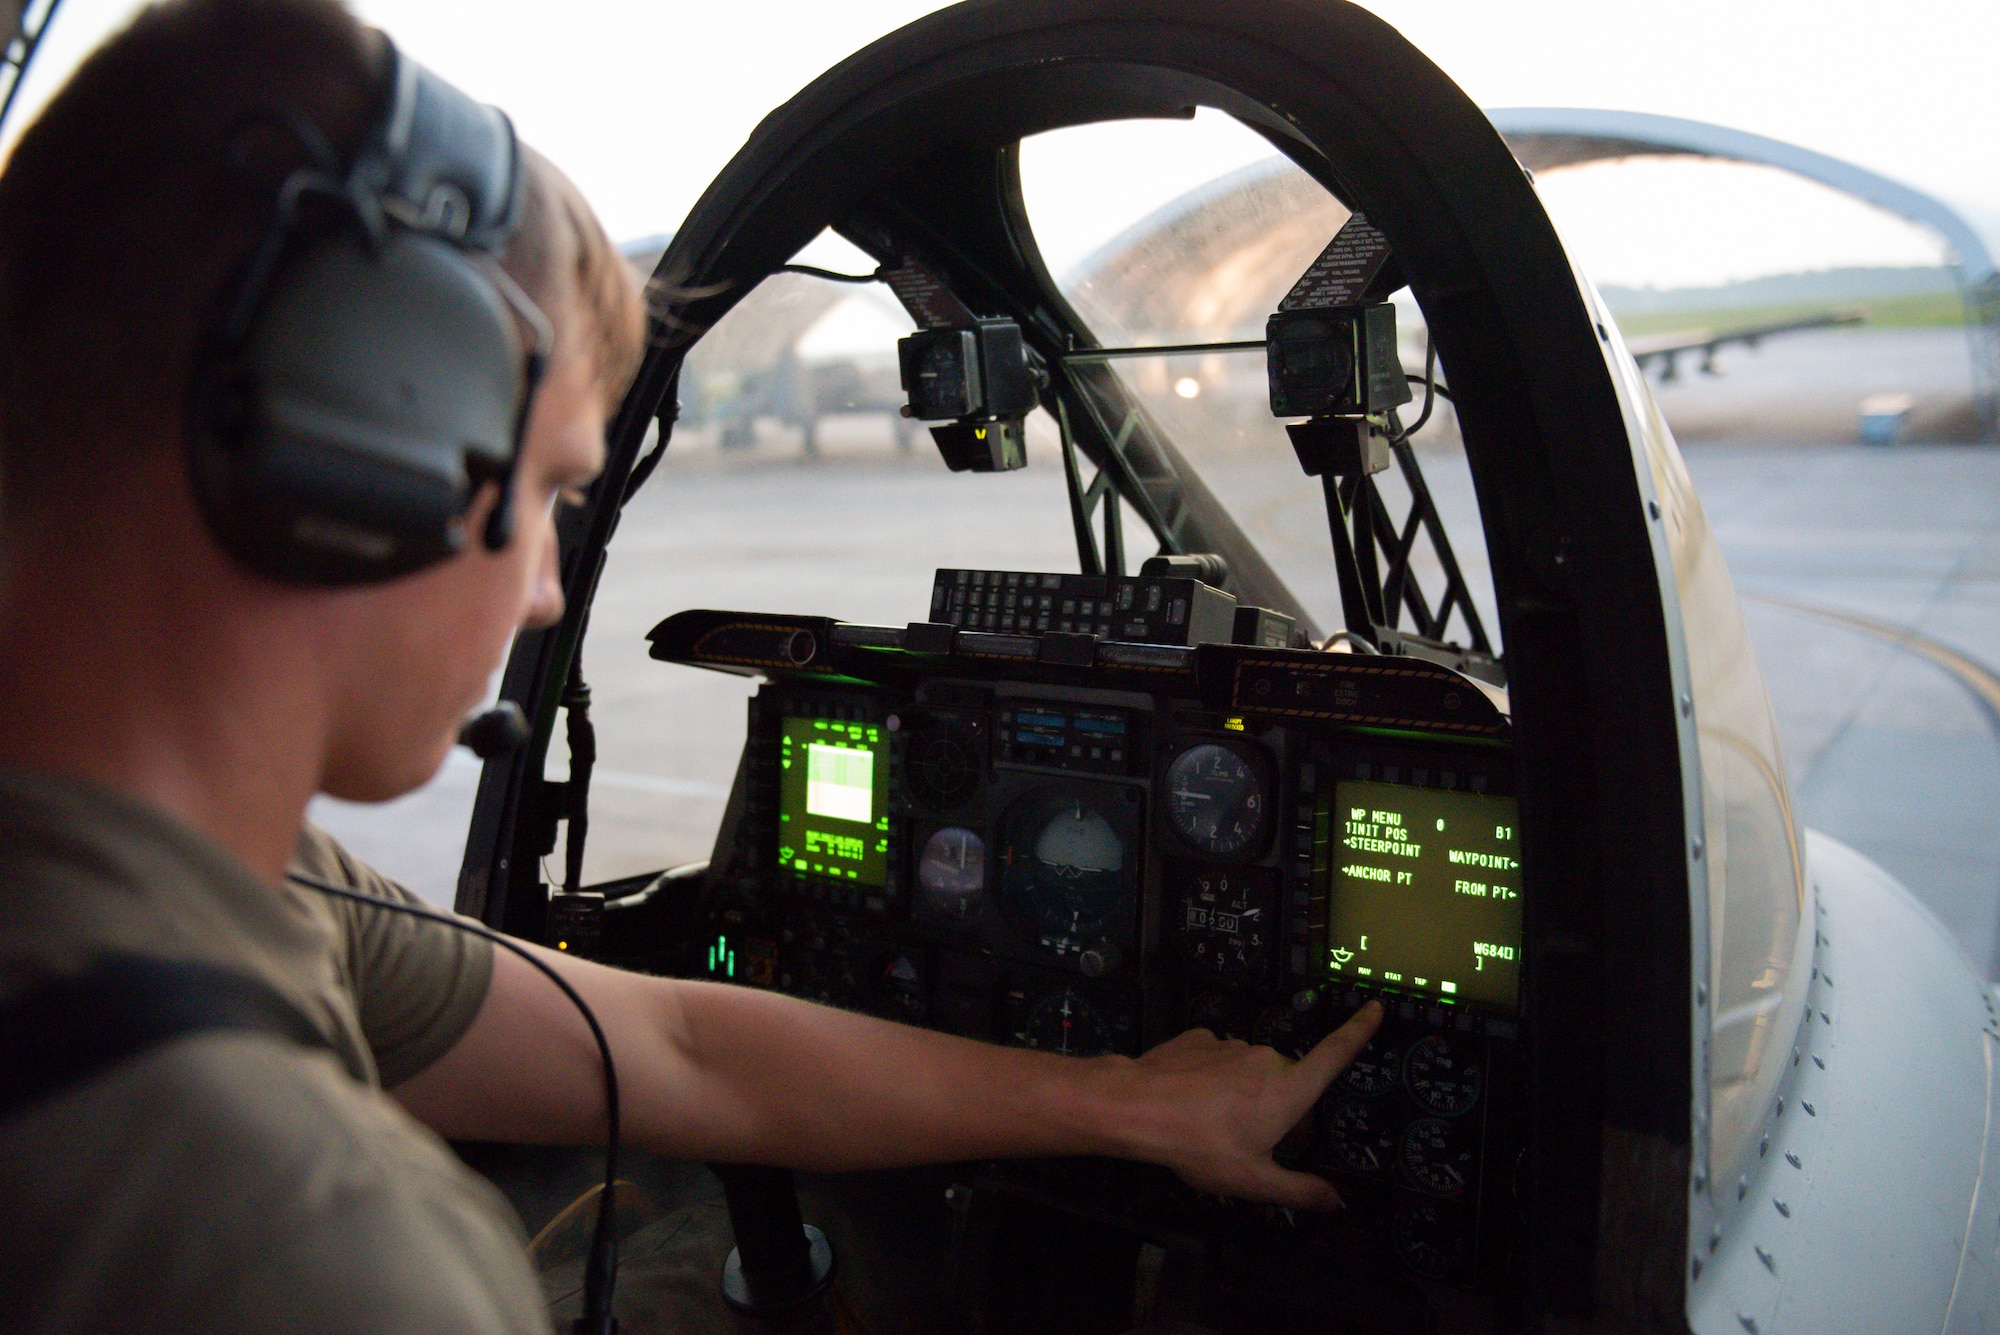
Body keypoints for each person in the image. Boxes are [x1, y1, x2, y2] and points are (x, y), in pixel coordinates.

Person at [0, 0, 1383, 1330]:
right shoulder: (305, 1249)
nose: (542, 581)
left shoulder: (223, 881)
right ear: (368, 448)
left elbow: (677, 1050)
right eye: (543, 490)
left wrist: (1125, 1104)